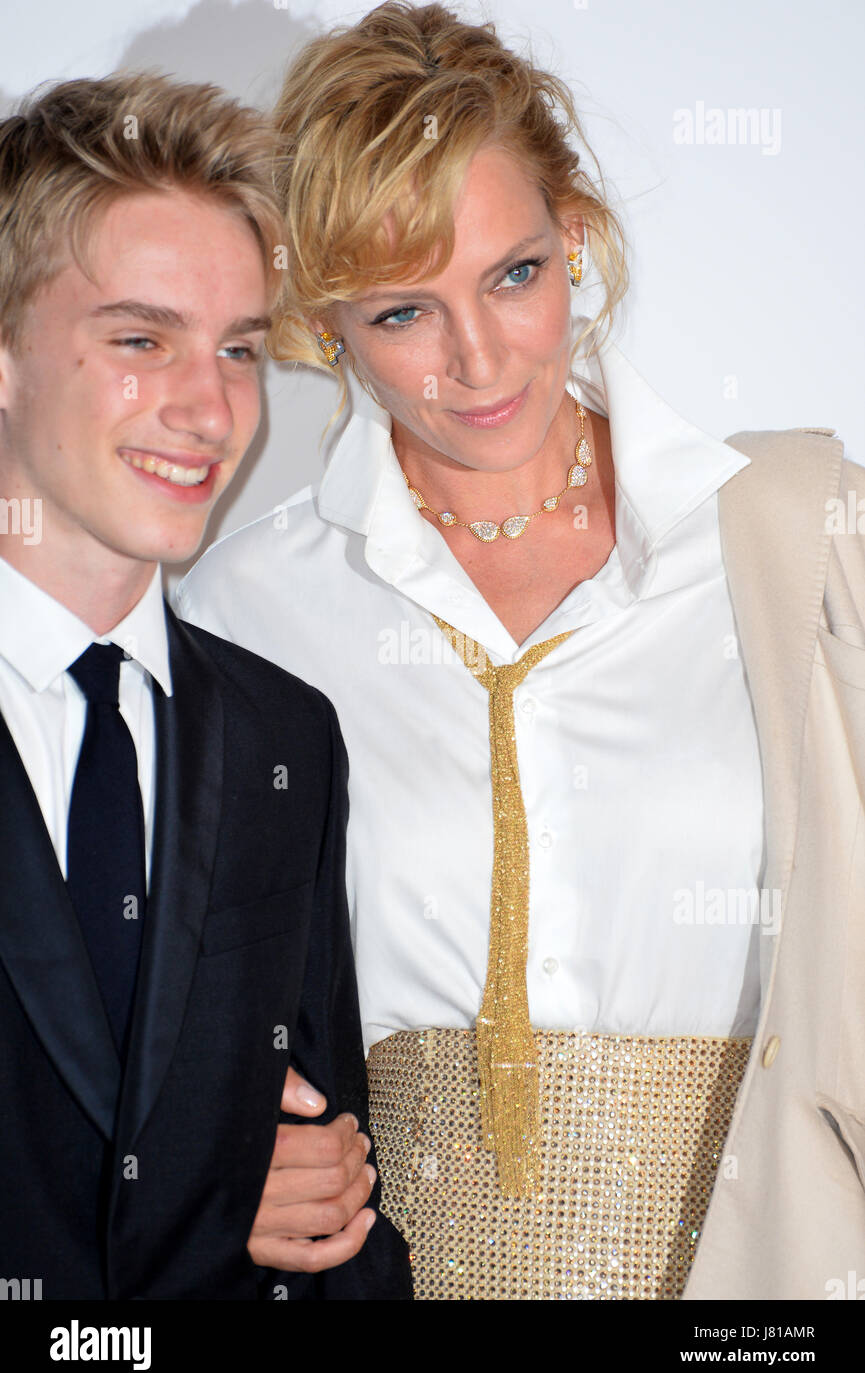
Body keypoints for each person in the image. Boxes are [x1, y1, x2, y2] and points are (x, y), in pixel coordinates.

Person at [178, 1, 865, 1299]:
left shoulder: (801, 542)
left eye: (512, 274)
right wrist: (222, 1157)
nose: (478, 360)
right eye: (401, 313)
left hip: (774, 1272)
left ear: (578, 239)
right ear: (325, 328)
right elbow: (160, 1018)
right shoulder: (248, 609)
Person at [0, 72, 410, 1300]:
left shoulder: (285, 734)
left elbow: (330, 1183)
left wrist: (318, 1195)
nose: (211, 406)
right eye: (140, 338)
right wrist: (208, 1178)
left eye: (238, 348)